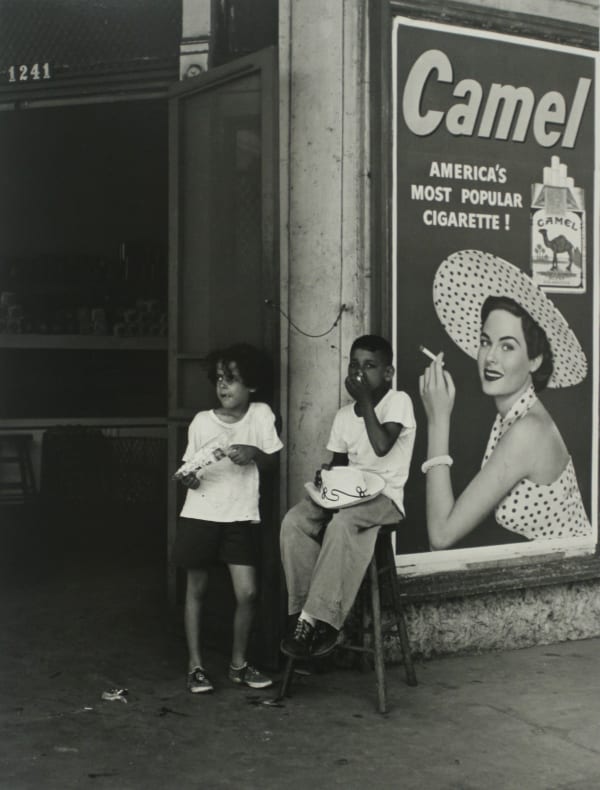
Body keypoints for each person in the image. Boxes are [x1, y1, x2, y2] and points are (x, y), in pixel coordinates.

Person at [419, 249, 592, 550]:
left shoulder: (528, 431)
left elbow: (441, 536)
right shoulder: (515, 415)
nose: (490, 358)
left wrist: (438, 420)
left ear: (535, 360)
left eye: (508, 347)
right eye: (486, 342)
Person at [279, 334, 416, 659]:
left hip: (385, 499)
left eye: (370, 366)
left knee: (342, 525)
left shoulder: (398, 401)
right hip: (348, 494)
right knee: (295, 521)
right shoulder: (343, 416)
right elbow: (340, 464)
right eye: (355, 365)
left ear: (388, 373)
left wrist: (365, 401)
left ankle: (321, 622)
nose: (359, 373)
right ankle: (304, 614)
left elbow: (382, 446)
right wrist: (326, 473)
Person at [172, 343, 283, 693]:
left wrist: (254, 453)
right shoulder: (202, 422)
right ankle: (196, 666)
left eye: (232, 379)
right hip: (200, 514)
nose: (223, 386)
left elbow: (273, 462)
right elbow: (189, 469)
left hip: (240, 517)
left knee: (247, 593)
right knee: (196, 590)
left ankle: (238, 664)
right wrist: (188, 479)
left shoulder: (262, 415)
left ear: (251, 385)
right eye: (219, 378)